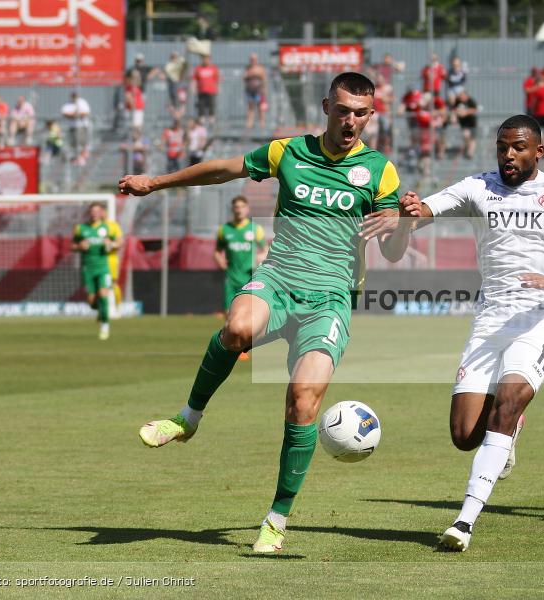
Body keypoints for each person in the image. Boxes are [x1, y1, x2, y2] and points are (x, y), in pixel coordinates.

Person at [118, 72, 413, 554]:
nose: (351, 121)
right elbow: (223, 169)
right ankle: (188, 417)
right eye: (342, 110)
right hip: (278, 279)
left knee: (302, 401)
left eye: (361, 113)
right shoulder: (288, 152)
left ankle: (276, 518)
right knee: (237, 328)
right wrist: (157, 182)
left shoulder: (380, 171)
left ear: (371, 115)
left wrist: (400, 222)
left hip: (330, 299)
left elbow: (394, 251)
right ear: (326, 106)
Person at [395, 114, 544, 551]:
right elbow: (428, 210)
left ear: (538, 151)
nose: (508, 155)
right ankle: (510, 430)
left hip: (543, 317)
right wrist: (412, 210)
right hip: (491, 318)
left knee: (508, 402)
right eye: (502, 148)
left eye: (517, 147)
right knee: (464, 434)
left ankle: (465, 521)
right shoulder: (479, 187)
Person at [214, 195, 269, 328]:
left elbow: (266, 249)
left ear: (247, 209)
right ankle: (232, 345)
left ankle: (244, 345)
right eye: (236, 207)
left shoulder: (255, 229)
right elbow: (217, 251)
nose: (239, 210)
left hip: (249, 278)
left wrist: (261, 257)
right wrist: (219, 260)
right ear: (232, 209)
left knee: (247, 313)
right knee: (229, 313)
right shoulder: (224, 229)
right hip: (231, 278)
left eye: (242, 207)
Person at [72, 202, 123, 341]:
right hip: (88, 268)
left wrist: (111, 244)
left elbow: (119, 242)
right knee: (92, 301)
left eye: (97, 211)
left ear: (101, 213)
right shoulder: (81, 229)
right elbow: (73, 245)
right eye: (92, 211)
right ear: (89, 213)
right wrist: (79, 246)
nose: (94, 213)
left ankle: (105, 326)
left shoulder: (109, 227)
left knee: (104, 294)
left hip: (103, 267)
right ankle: (100, 311)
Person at [61, 92, 91, 165]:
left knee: (81, 143)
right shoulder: (68, 104)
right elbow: (65, 113)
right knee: (74, 144)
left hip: (81, 126)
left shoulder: (82, 102)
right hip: (72, 127)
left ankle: (81, 157)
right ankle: (77, 158)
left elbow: (86, 113)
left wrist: (76, 115)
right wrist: (75, 115)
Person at [243, 53, 268, 131]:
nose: (253, 61)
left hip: (259, 91)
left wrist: (265, 90)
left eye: (254, 59)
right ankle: (249, 126)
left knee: (260, 108)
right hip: (250, 91)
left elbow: (264, 79)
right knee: (250, 108)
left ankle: (262, 126)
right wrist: (250, 74)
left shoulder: (260, 68)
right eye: (251, 59)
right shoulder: (248, 69)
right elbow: (244, 77)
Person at [192, 54, 220, 125]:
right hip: (201, 91)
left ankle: (211, 121)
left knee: (211, 105)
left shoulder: (213, 68)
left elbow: (217, 79)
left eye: (207, 59)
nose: (205, 60)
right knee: (201, 106)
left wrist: (217, 88)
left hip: (211, 91)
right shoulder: (198, 68)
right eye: (204, 59)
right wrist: (193, 88)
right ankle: (201, 121)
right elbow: (194, 79)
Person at [452, 90, 478, 160]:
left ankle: (470, 152)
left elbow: (474, 110)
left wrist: (465, 112)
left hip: (472, 123)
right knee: (466, 135)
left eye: (462, 96)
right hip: (464, 124)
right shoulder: (458, 101)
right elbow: (454, 110)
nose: (461, 98)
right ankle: (466, 148)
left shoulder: (470, 101)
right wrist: (456, 115)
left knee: (472, 138)